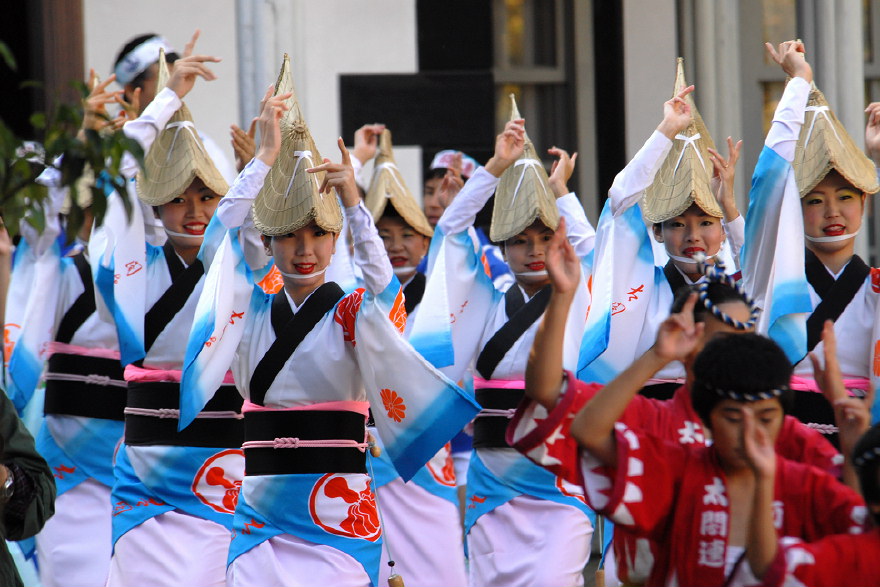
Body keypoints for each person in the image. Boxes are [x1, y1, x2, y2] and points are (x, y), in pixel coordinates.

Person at [180, 54, 477, 587]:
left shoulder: (351, 312)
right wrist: (265, 158)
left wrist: (354, 203)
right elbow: (220, 238)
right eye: (290, 236)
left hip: (338, 516)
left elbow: (385, 291)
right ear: (268, 241)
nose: (304, 250)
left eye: (318, 234)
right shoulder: (251, 306)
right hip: (260, 519)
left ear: (335, 240)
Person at [510, 232, 840, 584]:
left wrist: (846, 421)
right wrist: (563, 298)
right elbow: (547, 392)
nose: (739, 354)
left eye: (747, 339)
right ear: (688, 344)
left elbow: (850, 502)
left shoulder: (782, 434)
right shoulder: (651, 419)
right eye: (723, 341)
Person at [409, 95, 598, 587]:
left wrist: (562, 195)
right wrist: (493, 168)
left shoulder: (579, 291)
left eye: (544, 237)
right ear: (501, 246)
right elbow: (450, 231)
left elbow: (596, 250)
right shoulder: (486, 300)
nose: (534, 250)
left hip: (561, 476)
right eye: (519, 240)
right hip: (492, 480)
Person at [94, 43, 247, 587]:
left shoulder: (239, 265)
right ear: (155, 204)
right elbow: (113, 172)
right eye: (180, 198)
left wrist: (264, 166)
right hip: (144, 481)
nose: (196, 210)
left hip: (223, 470)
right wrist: (166, 99)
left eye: (208, 197)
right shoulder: (133, 262)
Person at [572, 320, 866, 586]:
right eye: (733, 418)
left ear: (785, 418)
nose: (749, 433)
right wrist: (656, 357)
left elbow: (859, 529)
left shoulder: (805, 484)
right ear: (706, 416)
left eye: (765, 418)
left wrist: (853, 446)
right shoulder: (679, 470)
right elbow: (587, 431)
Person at [578, 59, 743, 400]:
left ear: (724, 229)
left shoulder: (740, 287)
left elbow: (759, 257)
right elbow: (620, 201)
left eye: (706, 223)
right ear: (657, 233)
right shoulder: (641, 284)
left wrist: (728, 206)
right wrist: (667, 131)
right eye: (677, 224)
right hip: (648, 421)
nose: (692, 235)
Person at [742, 40, 880, 441]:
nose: (833, 212)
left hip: (864, 444)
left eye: (846, 197)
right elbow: (769, 180)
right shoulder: (769, 279)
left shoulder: (875, 288)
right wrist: (799, 82)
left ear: (865, 204)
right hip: (783, 443)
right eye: (815, 200)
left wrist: (876, 156)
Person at [361, 129, 467, 586]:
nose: (396, 244)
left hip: (429, 456)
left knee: (441, 567)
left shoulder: (443, 300)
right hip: (364, 460)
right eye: (383, 235)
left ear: (427, 241)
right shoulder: (353, 302)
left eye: (408, 233)